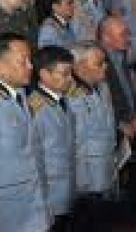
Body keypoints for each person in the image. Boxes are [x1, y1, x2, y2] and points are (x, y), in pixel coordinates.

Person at [0, 33, 51, 232]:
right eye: (23, 61)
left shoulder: (19, 93)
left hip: (32, 201)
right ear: (0, 65)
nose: (31, 66)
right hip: (6, 209)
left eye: (30, 60)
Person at [67, 41, 117, 231]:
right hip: (85, 179)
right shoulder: (70, 93)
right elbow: (75, 141)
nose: (105, 67)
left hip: (105, 169)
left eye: (105, 62)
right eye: (99, 63)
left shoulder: (101, 86)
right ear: (79, 65)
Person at [29, 46, 77, 229]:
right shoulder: (35, 108)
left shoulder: (63, 100)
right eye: (64, 74)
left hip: (67, 188)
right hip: (49, 194)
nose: (70, 79)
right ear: (44, 74)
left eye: (71, 73)